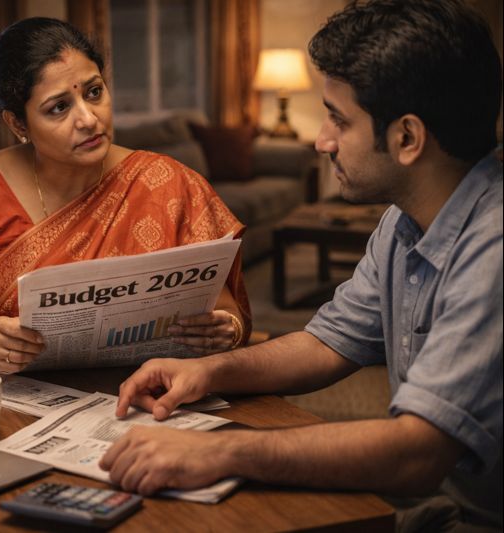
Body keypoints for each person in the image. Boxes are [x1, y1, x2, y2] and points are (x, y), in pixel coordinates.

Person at [99, 1, 503, 531]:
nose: (322, 140)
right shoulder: (405, 222)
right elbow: (326, 343)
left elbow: (416, 452)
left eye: (339, 118)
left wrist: (223, 452)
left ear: (407, 138)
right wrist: (210, 370)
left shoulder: (492, 247)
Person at [0, 18, 251, 373]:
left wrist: (226, 330)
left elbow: (228, 313)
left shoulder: (168, 182)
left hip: (155, 390)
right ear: (18, 125)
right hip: (23, 402)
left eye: (94, 92)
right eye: (59, 107)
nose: (88, 119)